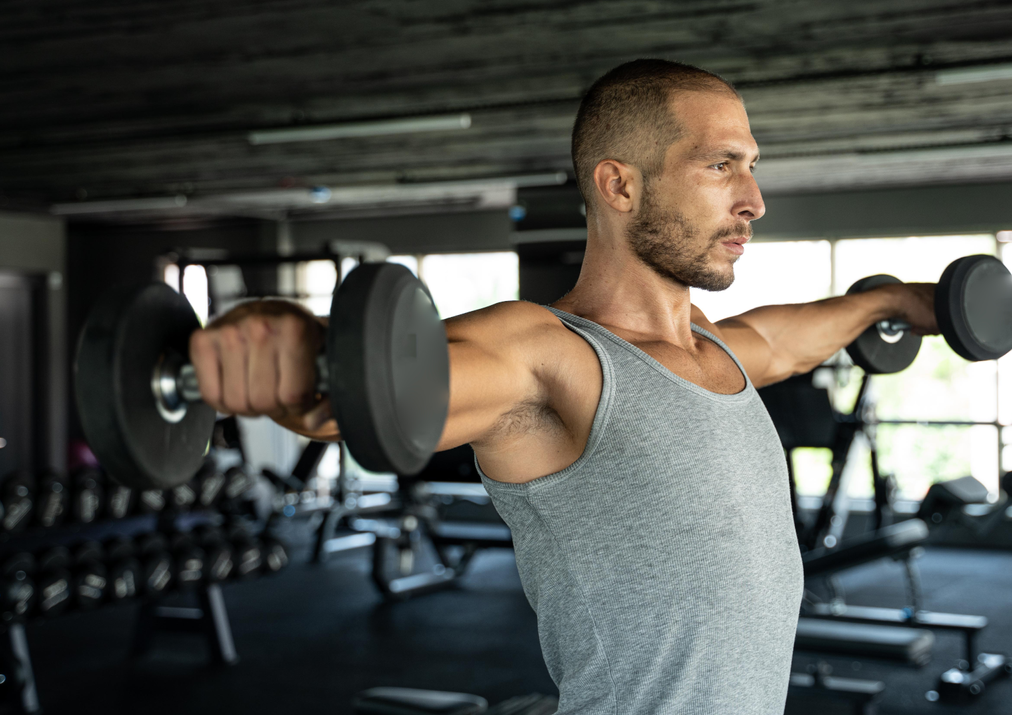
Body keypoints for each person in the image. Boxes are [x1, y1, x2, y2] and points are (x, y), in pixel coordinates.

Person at [188, 59, 938, 715]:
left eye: (752, 166)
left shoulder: (717, 348)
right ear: (618, 184)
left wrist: (893, 303)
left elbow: (786, 338)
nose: (753, 199)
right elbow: (369, 393)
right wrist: (285, 345)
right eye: (721, 165)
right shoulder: (547, 356)